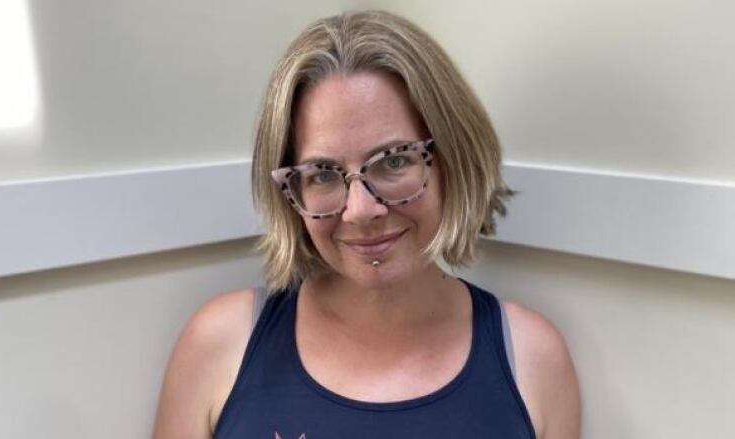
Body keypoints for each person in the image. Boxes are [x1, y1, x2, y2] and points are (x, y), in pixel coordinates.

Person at [153, 10, 580, 439]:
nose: (360, 210)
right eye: (322, 173)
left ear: (455, 159)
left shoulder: (531, 359)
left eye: (394, 160)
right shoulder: (220, 345)